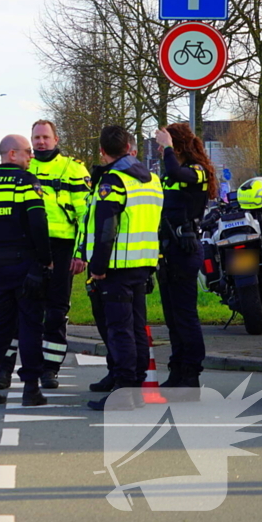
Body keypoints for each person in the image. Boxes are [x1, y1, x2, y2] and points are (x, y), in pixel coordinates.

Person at [0, 120, 90, 391]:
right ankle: (3, 369)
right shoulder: (24, 165)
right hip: (27, 248)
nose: (41, 142)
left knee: (56, 312)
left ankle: (50, 370)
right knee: (14, 311)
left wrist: (81, 253)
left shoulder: (73, 169)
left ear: (56, 139)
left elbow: (85, 215)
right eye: (36, 138)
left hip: (62, 248)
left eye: (46, 137)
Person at [79, 125, 163, 411]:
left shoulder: (112, 182)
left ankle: (124, 393)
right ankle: (137, 388)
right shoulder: (152, 180)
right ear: (130, 147)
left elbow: (106, 230)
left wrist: (98, 268)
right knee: (137, 328)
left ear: (102, 152)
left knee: (119, 331)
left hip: (116, 268)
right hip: (143, 265)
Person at [0, 134, 52, 407]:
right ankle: (31, 388)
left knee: (2, 324)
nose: (31, 156)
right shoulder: (27, 183)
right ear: (13, 154)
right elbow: (38, 224)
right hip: (25, 263)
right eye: (27, 152)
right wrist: (45, 260)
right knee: (30, 324)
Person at [155, 123, 216, 392]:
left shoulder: (196, 172)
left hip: (185, 248)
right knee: (172, 316)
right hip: (167, 250)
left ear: (177, 146)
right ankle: (177, 369)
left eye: (164, 144)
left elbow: (175, 171)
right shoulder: (170, 175)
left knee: (185, 315)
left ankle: (191, 373)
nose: (159, 149)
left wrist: (168, 146)